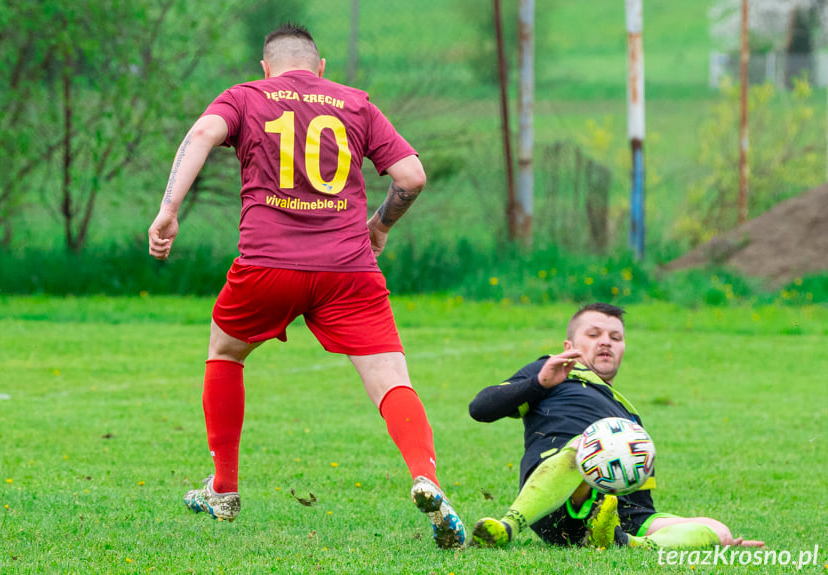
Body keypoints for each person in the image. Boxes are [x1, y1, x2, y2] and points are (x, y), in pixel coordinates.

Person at [146, 23, 465, 550]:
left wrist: (168, 211)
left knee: (225, 351)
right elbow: (412, 176)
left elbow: (201, 134)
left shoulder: (246, 97)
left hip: (267, 266)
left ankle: (223, 489)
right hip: (348, 270)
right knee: (390, 378)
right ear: (321, 69)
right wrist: (380, 226)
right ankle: (425, 476)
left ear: (266, 68)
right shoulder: (355, 103)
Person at [468, 302, 763, 550]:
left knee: (717, 529)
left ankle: (627, 543)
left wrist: (698, 534)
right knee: (587, 444)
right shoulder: (555, 373)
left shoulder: (630, 421)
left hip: (613, 519)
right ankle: (507, 526)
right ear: (569, 346)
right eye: (594, 334)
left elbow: (640, 508)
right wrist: (538, 383)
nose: (606, 341)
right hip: (556, 505)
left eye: (615, 337)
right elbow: (480, 409)